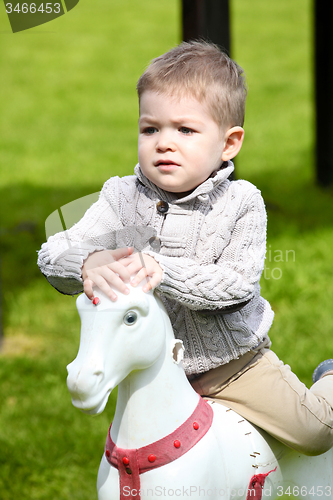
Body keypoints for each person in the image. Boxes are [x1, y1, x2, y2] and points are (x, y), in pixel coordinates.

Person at [38, 41, 333, 456]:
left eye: (185, 130)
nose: (164, 143)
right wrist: (88, 260)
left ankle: (329, 380)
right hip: (156, 374)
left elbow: (235, 285)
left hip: (231, 368)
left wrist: (161, 268)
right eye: (150, 128)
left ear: (229, 143)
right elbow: (52, 252)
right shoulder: (121, 197)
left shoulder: (241, 203)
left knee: (314, 434)